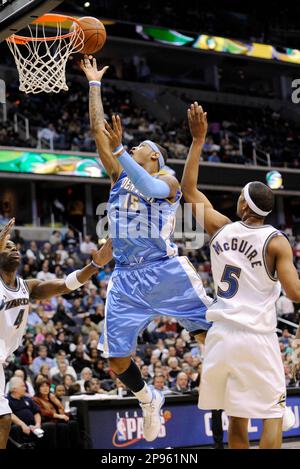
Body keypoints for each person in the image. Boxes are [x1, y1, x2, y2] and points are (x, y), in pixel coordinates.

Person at [80, 56, 212, 442]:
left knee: (209, 334)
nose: (131, 146)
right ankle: (147, 397)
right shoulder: (119, 175)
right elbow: (96, 129)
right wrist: (93, 85)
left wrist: (122, 150)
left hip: (164, 271)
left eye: (139, 145)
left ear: (153, 155)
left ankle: (247, 380)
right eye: (130, 146)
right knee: (116, 359)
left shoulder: (167, 180)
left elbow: (152, 189)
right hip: (125, 277)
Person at [181, 102, 300, 449]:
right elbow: (294, 293)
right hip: (255, 339)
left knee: (237, 421)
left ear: (246, 205)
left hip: (221, 338)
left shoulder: (220, 228)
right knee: (274, 416)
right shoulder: (276, 242)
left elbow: (189, 190)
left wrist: (198, 140)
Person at [0, 218, 113, 448]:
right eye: (7, 246)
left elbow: (64, 285)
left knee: (2, 420)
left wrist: (94, 266)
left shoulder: (27, 286)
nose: (14, 250)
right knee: (2, 419)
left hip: (1, 359)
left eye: (15, 246)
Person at [7, 377, 56, 449]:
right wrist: (23, 425)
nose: (25, 388)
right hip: (21, 427)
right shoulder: (7, 401)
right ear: (14, 389)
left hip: (34, 426)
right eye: (23, 386)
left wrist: (38, 424)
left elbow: (36, 412)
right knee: (15, 428)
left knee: (50, 426)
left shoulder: (27, 398)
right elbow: (9, 414)